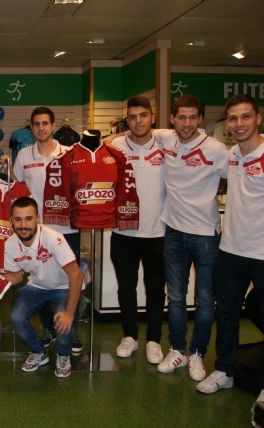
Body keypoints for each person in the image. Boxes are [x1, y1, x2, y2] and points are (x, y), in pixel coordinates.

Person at [153, 94, 228, 380]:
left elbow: (241, 174)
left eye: (193, 118)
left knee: (205, 300)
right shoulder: (166, 138)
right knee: (175, 297)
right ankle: (178, 350)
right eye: (181, 117)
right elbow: (135, 134)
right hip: (173, 232)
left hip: (205, 235)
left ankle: (197, 353)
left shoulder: (216, 149)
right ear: (172, 119)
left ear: (201, 120)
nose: (187, 123)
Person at [196, 94, 264, 394]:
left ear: (258, 118)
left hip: (262, 253)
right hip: (231, 250)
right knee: (226, 314)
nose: (239, 124)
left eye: (245, 116)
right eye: (233, 118)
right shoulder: (232, 154)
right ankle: (224, 370)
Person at [12, 106, 82, 353]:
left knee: (70, 281)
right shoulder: (24, 156)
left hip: (67, 229)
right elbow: (19, 188)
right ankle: (49, 328)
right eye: (36, 124)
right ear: (31, 128)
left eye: (45, 123)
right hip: (37, 232)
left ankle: (70, 330)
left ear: (53, 126)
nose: (41, 128)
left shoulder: (69, 154)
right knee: (39, 280)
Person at [109, 96, 166, 364]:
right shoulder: (117, 146)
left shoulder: (166, 143)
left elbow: (188, 133)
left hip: (159, 232)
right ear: (126, 121)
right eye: (132, 117)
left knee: (156, 289)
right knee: (126, 288)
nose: (138, 121)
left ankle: (154, 340)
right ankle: (129, 335)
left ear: (152, 117)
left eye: (143, 115)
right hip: (124, 233)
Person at [2, 197, 82, 376]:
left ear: (37, 218)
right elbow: (16, 276)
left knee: (64, 322)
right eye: (18, 219)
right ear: (11, 221)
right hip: (37, 285)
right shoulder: (10, 244)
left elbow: (76, 274)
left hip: (64, 286)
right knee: (16, 318)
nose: (23, 225)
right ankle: (39, 351)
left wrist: (69, 313)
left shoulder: (53, 238)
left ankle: (63, 355)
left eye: (28, 219)